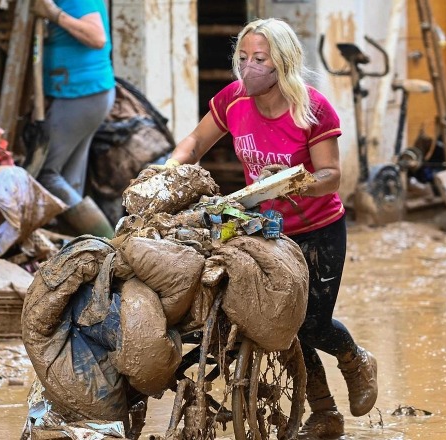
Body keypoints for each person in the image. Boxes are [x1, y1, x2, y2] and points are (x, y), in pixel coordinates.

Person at [164, 18, 378, 438]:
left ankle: (355, 359)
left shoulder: (312, 109)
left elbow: (332, 176)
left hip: (318, 229)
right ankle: (324, 413)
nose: (248, 67)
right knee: (278, 324)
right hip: (268, 231)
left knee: (313, 323)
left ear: (282, 62)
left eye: (259, 59)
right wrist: (167, 170)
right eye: (242, 58)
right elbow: (194, 143)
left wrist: (295, 179)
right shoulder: (234, 99)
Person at [32, 0, 115, 238]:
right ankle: (84, 251)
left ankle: (110, 243)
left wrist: (54, 14)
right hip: (84, 93)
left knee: (46, 175)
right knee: (70, 179)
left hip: (81, 93)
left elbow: (97, 37)